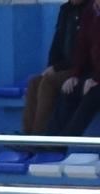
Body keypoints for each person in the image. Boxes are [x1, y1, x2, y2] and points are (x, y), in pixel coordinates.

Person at [23, 0, 86, 135]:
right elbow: (57, 42)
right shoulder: (66, 10)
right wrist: (51, 66)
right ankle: (27, 137)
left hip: (82, 69)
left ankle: (40, 138)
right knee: (34, 82)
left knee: (48, 82)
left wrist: (57, 68)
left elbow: (83, 53)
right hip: (64, 67)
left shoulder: (90, 11)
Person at [52, 0, 100, 137]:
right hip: (95, 75)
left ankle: (66, 142)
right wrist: (75, 75)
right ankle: (48, 142)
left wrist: (96, 79)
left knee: (92, 94)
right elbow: (81, 47)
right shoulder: (90, 11)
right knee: (69, 89)